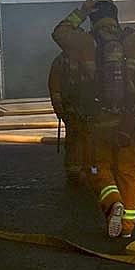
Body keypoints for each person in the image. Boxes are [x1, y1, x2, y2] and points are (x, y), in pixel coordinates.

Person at [52, 0, 135, 238]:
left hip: (97, 119)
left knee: (98, 168)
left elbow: (58, 33)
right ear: (115, 16)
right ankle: (127, 228)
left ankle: (113, 202)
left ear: (94, 19)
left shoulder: (84, 42)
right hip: (127, 119)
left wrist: (81, 11)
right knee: (128, 172)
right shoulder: (131, 40)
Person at [47, 50, 89, 186]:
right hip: (72, 108)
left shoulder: (81, 60)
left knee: (83, 138)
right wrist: (58, 107)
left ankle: (83, 169)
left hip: (82, 108)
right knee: (75, 137)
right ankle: (75, 170)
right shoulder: (61, 62)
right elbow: (55, 87)